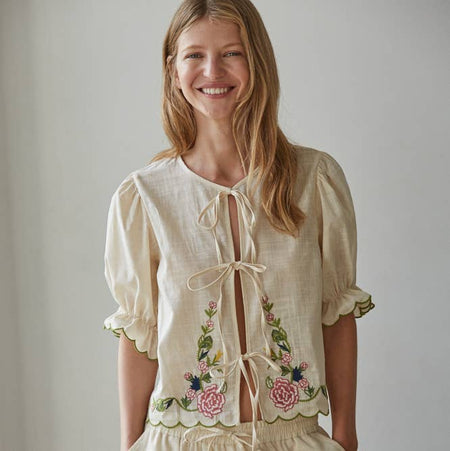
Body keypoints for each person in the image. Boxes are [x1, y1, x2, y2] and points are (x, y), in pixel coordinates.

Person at [103, 1, 375, 450]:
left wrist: (345, 436)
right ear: (173, 70)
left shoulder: (314, 180)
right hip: (179, 440)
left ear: (258, 62)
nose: (213, 70)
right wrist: (129, 444)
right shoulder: (143, 197)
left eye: (232, 53)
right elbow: (139, 335)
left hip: (292, 438)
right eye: (194, 55)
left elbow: (337, 315)